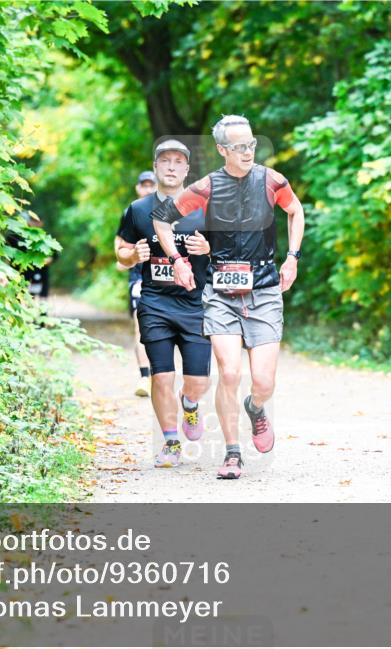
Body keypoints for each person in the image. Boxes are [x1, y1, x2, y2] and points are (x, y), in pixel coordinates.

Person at [152, 116, 305, 480]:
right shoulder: (206, 187)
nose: (248, 151)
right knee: (230, 372)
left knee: (263, 381)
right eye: (238, 146)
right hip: (220, 293)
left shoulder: (272, 180)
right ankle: (233, 453)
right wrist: (178, 261)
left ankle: (256, 408)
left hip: (264, 290)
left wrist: (292, 258)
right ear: (222, 150)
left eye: (251, 144)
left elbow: (295, 211)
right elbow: (161, 220)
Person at [116, 140, 212, 468]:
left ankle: (190, 404)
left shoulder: (203, 207)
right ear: (156, 168)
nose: (171, 167)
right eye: (165, 161)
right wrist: (132, 254)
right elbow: (121, 249)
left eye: (178, 162)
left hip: (195, 303)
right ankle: (171, 440)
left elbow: (228, 249)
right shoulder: (138, 209)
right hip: (155, 302)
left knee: (198, 381)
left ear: (187, 170)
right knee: (161, 376)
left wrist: (207, 249)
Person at [116, 171, 158, 397]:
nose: (148, 189)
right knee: (140, 327)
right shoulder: (131, 212)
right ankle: (145, 377)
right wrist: (124, 257)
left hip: (167, 280)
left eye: (153, 185)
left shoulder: (172, 209)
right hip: (140, 278)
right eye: (145, 185)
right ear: (138, 188)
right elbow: (120, 241)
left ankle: (163, 376)